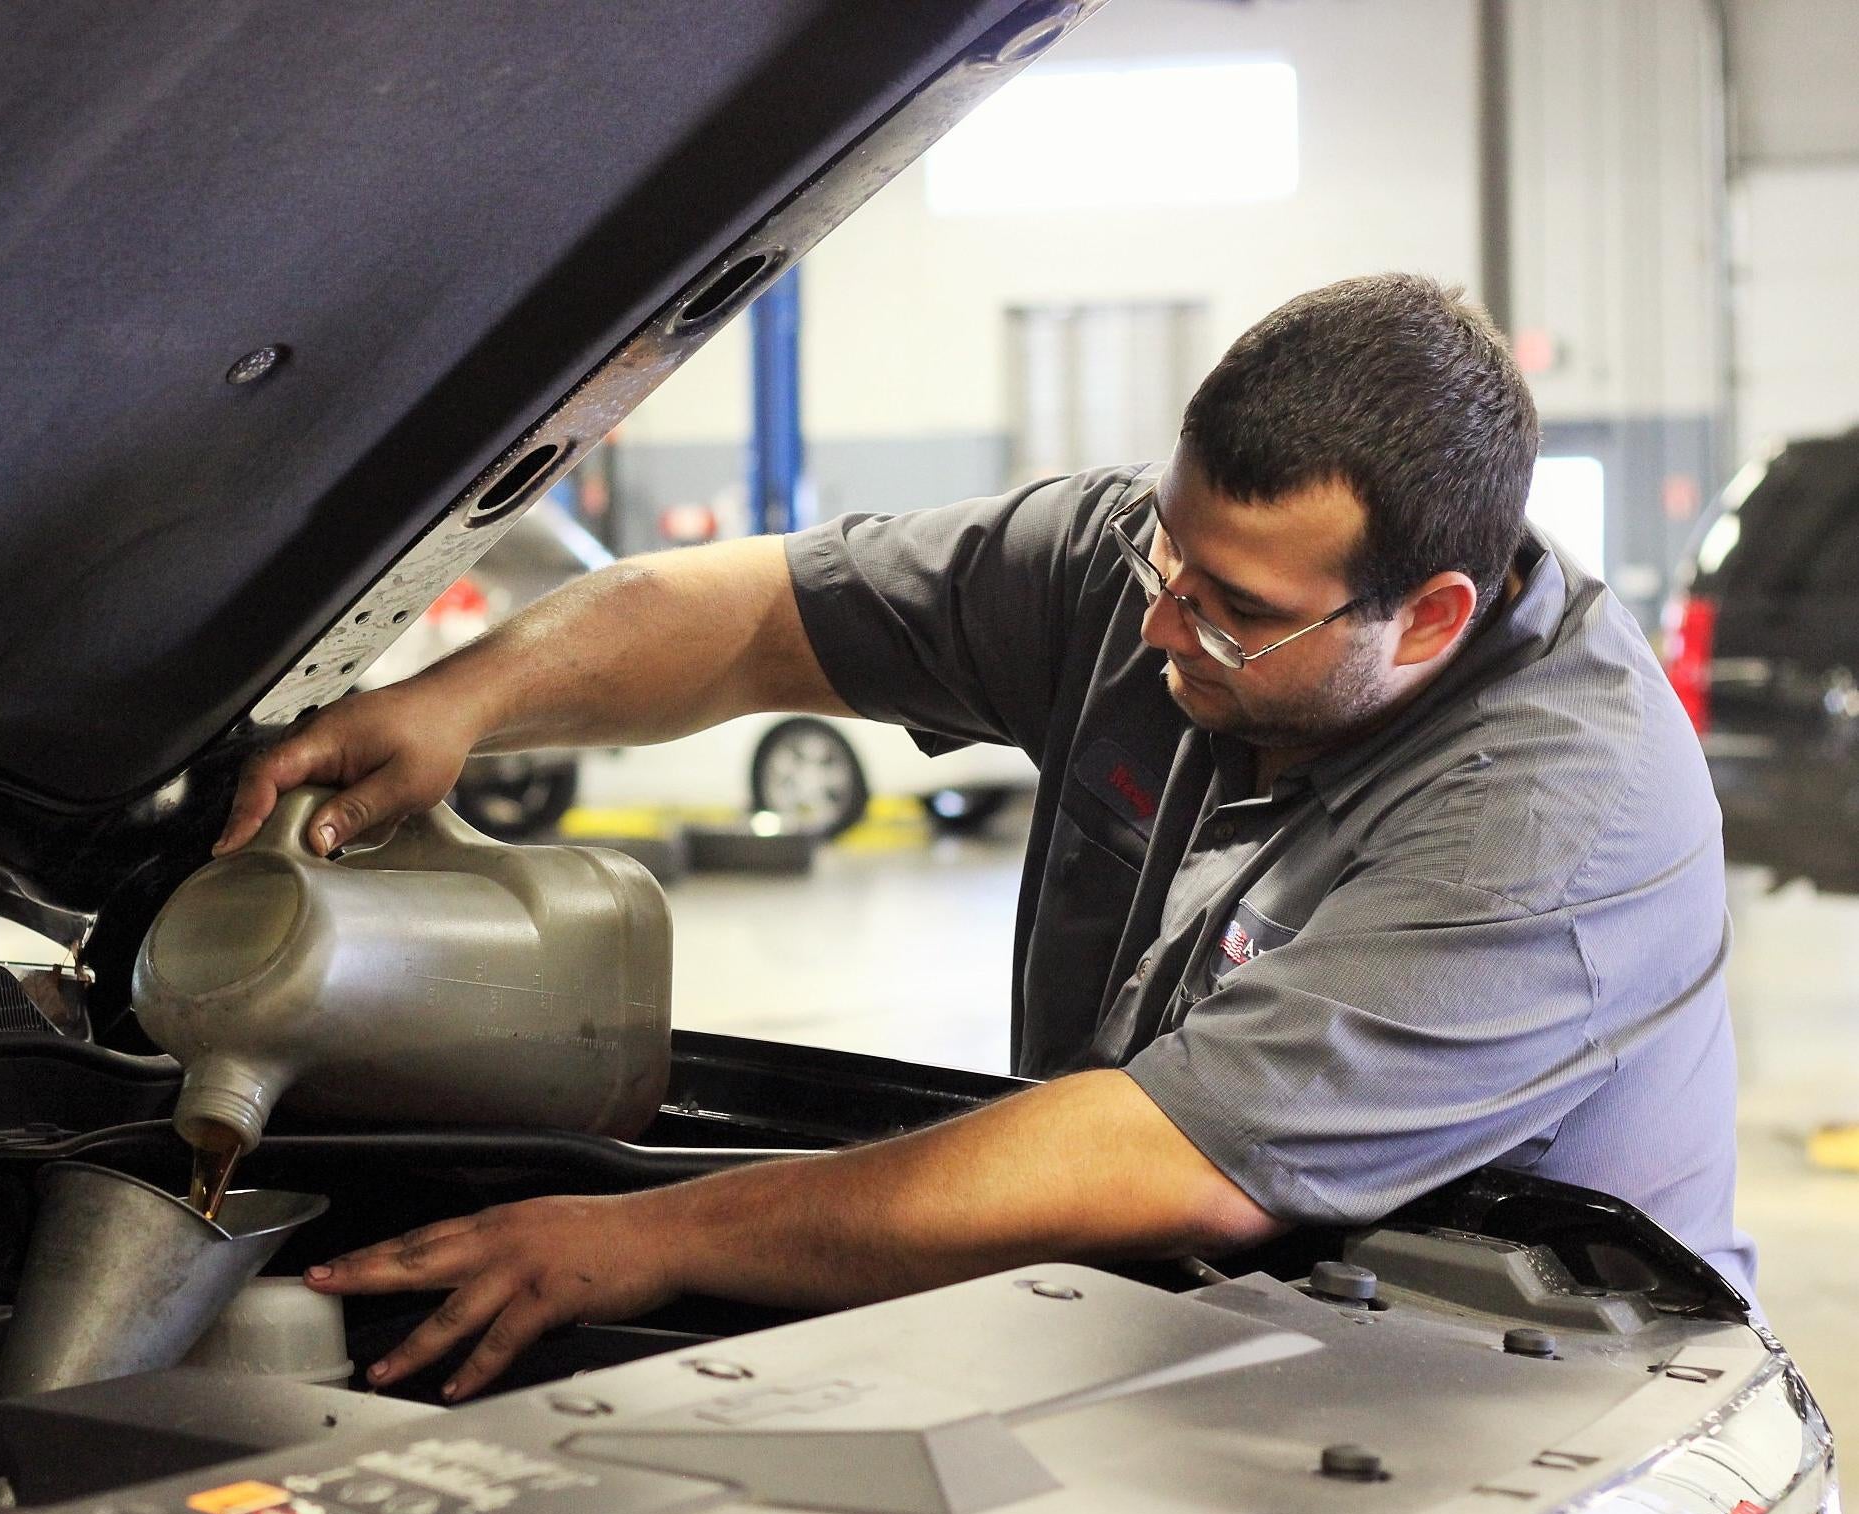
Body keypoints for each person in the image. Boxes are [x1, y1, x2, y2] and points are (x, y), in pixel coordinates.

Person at [214, 275, 1749, 1402]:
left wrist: (653, 1234)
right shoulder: (1147, 582)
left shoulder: (1554, 816)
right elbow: (753, 620)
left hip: (1507, 1408)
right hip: (1185, 1330)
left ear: (1428, 618)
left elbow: (1166, 1158)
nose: (1161, 626)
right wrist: (466, 701)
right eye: (1169, 552)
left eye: (1239, 614)